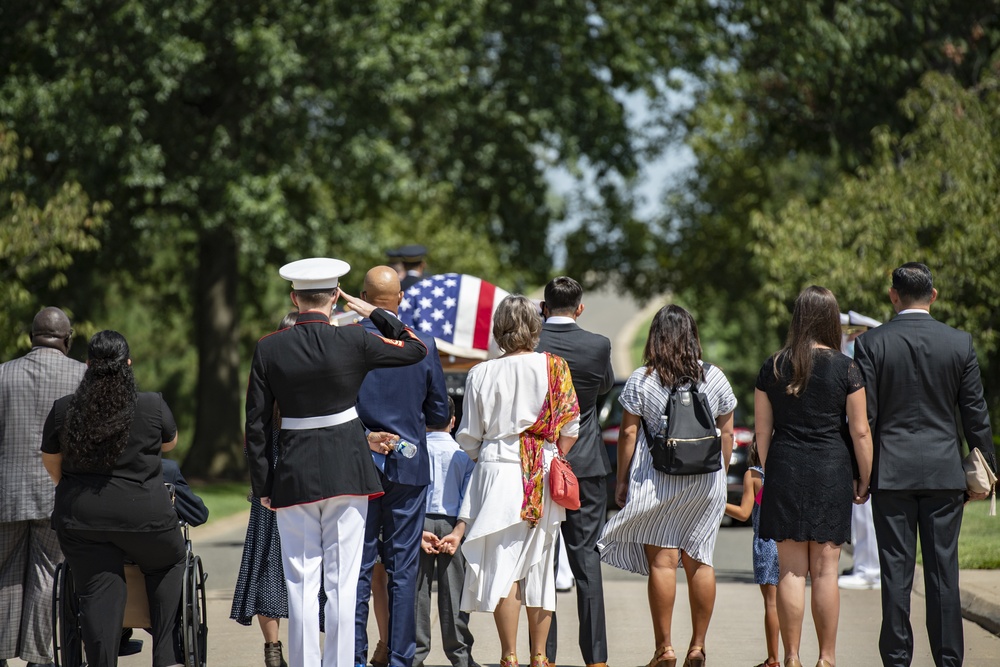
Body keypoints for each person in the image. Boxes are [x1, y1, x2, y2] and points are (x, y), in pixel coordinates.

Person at [244, 257, 428, 667]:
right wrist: (373, 312)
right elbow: (416, 349)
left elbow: (255, 426)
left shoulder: (269, 347)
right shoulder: (354, 340)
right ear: (334, 297)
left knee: (301, 583)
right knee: (343, 583)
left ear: (294, 297)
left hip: (293, 474)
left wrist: (264, 487)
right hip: (348, 468)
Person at [853, 263, 996, 667]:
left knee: (896, 576)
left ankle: (897, 661)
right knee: (942, 575)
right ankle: (949, 661)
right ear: (933, 295)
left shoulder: (872, 344)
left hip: (891, 476)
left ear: (892, 295)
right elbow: (975, 415)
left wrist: (860, 476)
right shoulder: (959, 343)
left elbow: (867, 419)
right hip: (944, 473)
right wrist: (984, 470)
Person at [598, 304, 736, 667]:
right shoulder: (715, 377)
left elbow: (629, 432)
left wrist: (623, 479)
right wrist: (718, 473)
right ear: (692, 336)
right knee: (700, 561)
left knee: (663, 563)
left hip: (658, 479)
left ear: (655, 338)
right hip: (706, 482)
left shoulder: (642, 380)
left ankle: (665, 648)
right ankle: (698, 646)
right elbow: (728, 431)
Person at [40, 330, 186, 667]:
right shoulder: (151, 404)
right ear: (129, 364)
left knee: (97, 586)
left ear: (88, 365)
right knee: (170, 561)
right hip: (145, 518)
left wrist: (76, 488)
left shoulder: (65, 410)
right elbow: (169, 444)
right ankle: (165, 654)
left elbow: (51, 462)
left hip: (83, 521)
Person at [452, 294, 580, 667]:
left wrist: (491, 454)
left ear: (498, 329)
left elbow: (469, 437)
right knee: (539, 567)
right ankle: (539, 657)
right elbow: (571, 427)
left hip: (496, 470)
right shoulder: (555, 367)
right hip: (542, 468)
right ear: (536, 327)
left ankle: (509, 656)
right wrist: (552, 454)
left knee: (502, 569)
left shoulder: (480, 373)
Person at [754, 286, 873, 667]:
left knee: (789, 571)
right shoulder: (847, 367)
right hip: (831, 469)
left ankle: (791, 657)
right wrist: (864, 477)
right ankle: (827, 658)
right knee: (825, 573)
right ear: (829, 319)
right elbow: (860, 431)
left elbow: (761, 432)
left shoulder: (773, 366)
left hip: (785, 466)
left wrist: (774, 471)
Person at [354, 265, 450, 667]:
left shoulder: (347, 341)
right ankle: (401, 659)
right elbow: (440, 412)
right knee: (404, 570)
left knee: (356, 571)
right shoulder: (422, 344)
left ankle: (354, 657)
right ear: (399, 300)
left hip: (357, 464)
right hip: (408, 468)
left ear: (362, 297)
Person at [535, 276, 615, 667]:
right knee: (586, 562)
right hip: (585, 465)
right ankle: (596, 658)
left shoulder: (531, 345)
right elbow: (603, 389)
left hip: (538, 464)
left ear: (544, 306)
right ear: (579, 308)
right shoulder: (598, 345)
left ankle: (542, 655)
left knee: (542, 564)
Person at [0, 307, 85, 667]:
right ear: (67, 339)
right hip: (58, 491)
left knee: (5, 573)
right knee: (48, 572)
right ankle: (39, 658)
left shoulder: (3, 374)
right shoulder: (82, 375)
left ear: (30, 337)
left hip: (7, 493)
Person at [414, 396, 478, 667]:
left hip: (420, 524)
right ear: (453, 421)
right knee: (455, 595)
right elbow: (470, 498)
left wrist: (415, 530)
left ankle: (414, 655)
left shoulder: (414, 451)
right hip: (454, 525)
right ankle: (460, 656)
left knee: (417, 593)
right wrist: (460, 532)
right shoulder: (463, 455)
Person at [836, 312, 882, 592]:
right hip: (856, 441)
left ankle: (870, 569)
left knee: (865, 511)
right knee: (860, 513)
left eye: (853, 334)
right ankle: (865, 564)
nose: (848, 339)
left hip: (864, 442)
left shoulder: (865, 363)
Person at [724, 439, 779, 667]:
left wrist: (719, 503)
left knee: (772, 604)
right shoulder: (789, 470)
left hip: (766, 543)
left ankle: (774, 659)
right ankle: (791, 655)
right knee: (790, 601)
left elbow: (744, 512)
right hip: (791, 543)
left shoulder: (754, 475)